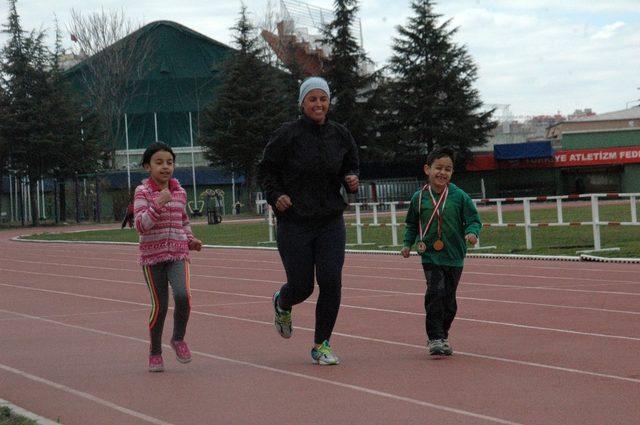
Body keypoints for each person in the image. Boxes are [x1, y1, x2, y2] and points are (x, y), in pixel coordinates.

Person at [257, 76, 359, 365]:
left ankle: (321, 344)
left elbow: (351, 164)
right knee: (302, 286)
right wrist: (276, 195)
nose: (318, 104)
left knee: (331, 280)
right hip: (295, 221)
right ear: (302, 103)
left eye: (323, 98)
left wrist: (351, 178)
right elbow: (266, 171)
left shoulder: (340, 135)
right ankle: (282, 301)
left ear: (329, 102)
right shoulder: (286, 135)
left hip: (329, 219)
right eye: (312, 99)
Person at [401, 146, 481, 356]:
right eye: (439, 168)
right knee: (435, 293)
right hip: (430, 255)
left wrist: (472, 233)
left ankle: (442, 335)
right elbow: (411, 224)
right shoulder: (419, 198)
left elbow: (473, 219)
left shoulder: (459, 196)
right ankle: (435, 338)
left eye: (448, 169)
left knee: (450, 301)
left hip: (455, 255)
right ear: (427, 169)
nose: (442, 173)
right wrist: (407, 244)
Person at [134, 142, 203, 372]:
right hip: (152, 257)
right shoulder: (142, 192)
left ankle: (178, 338)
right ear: (147, 166)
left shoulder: (180, 192)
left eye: (170, 162)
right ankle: (155, 351)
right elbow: (141, 226)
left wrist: (190, 239)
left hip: (177, 254)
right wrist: (157, 204)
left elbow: (183, 220)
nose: (165, 167)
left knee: (183, 295)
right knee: (160, 306)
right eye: (159, 162)